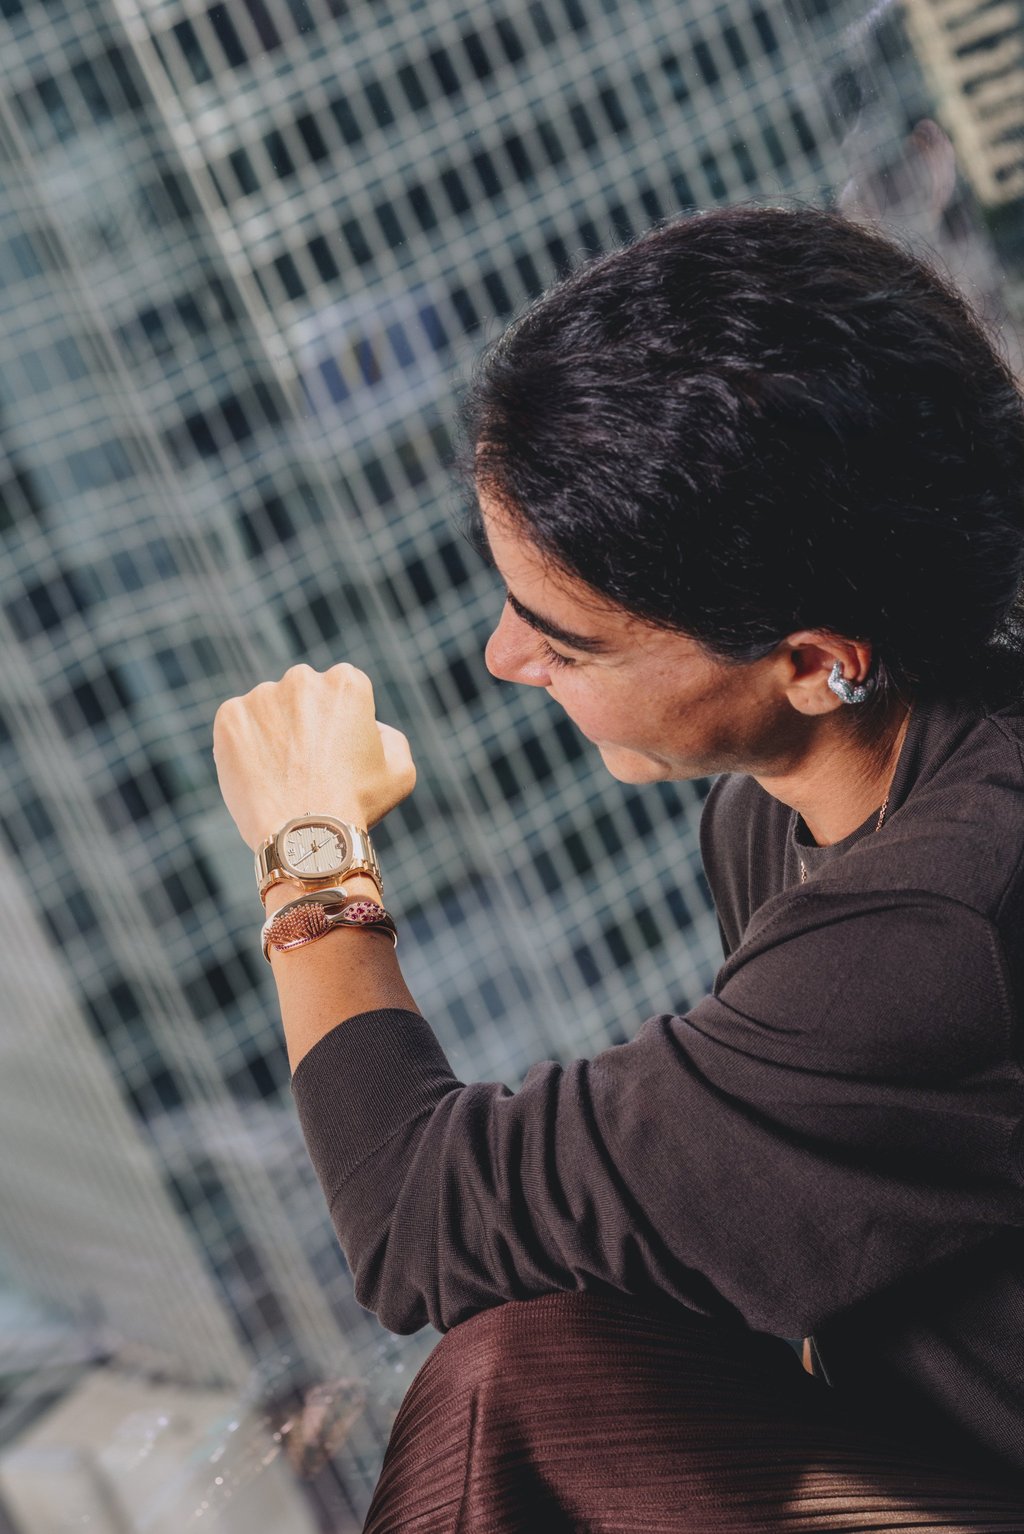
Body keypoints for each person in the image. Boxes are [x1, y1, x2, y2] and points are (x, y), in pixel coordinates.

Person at [212, 203, 1024, 1530]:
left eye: (568, 642)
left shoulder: (938, 927)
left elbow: (418, 1215)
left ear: (818, 660)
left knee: (508, 1385)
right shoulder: (788, 816)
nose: (502, 660)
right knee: (521, 1373)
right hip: (934, 1448)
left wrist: (309, 851)